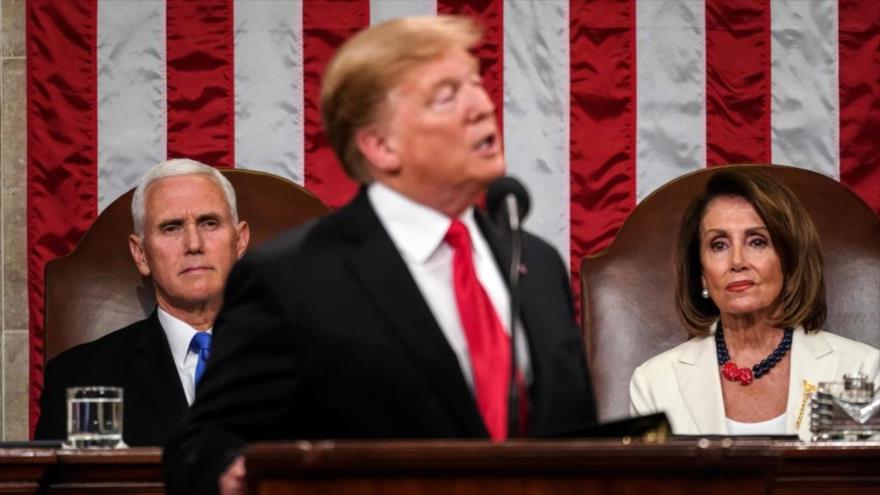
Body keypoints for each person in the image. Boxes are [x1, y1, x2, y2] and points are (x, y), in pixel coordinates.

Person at [164, 15, 596, 495]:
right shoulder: (292, 278)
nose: (482, 106)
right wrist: (231, 471)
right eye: (447, 96)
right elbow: (203, 445)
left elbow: (576, 442)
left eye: (476, 83)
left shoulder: (536, 264)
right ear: (380, 145)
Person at [629, 167, 879, 437]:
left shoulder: (857, 370)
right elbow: (656, 482)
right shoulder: (655, 383)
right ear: (701, 273)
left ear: (790, 259)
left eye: (757, 241)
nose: (737, 262)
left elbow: (853, 479)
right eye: (719, 245)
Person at [34, 159, 250, 446]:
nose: (194, 243)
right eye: (171, 228)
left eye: (209, 223)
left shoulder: (302, 360)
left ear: (239, 242)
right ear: (141, 255)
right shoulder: (80, 376)